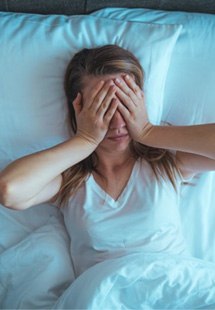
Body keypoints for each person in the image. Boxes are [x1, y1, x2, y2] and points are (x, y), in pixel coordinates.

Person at [1, 45, 215, 307]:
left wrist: (147, 131)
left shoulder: (167, 161)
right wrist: (86, 138)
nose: (117, 122)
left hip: (175, 290)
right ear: (78, 110)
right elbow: (9, 190)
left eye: (125, 104)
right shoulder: (69, 180)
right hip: (105, 297)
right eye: (102, 108)